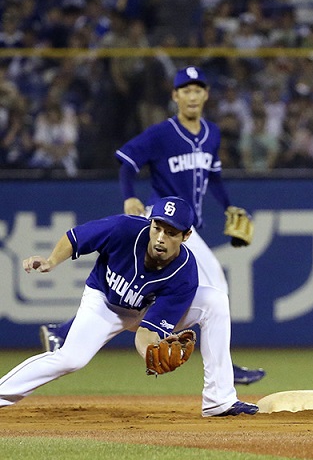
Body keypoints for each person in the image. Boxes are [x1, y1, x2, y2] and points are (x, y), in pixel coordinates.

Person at [40, 65, 265, 393]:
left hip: (188, 226)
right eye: (184, 90)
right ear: (175, 96)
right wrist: (129, 195)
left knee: (174, 291)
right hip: (164, 222)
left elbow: (213, 176)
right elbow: (127, 161)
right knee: (212, 287)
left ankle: (63, 331)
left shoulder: (212, 134)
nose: (191, 95)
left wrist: (229, 205)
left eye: (197, 89)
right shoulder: (162, 133)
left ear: (205, 95)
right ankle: (223, 372)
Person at [0, 197, 254, 416]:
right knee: (70, 359)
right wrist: (51, 261)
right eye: (157, 228)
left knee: (215, 301)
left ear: (186, 236)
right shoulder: (124, 228)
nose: (160, 238)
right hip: (104, 303)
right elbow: (75, 238)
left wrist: (151, 354)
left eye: (171, 232)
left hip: (145, 310)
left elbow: (146, 330)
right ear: (150, 223)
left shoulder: (184, 274)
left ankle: (218, 400)